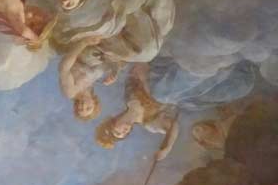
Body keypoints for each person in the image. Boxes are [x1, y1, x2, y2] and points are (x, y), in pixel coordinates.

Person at [96, 59, 257, 158]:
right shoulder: (148, 123)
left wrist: (144, 76)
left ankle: (214, 66)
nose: (123, 132)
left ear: (113, 122)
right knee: (173, 96)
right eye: (123, 135)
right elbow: (173, 126)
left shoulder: (128, 96)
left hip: (164, 74)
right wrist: (167, 147)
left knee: (161, 93)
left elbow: (138, 69)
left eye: (118, 131)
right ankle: (226, 69)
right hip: (182, 92)